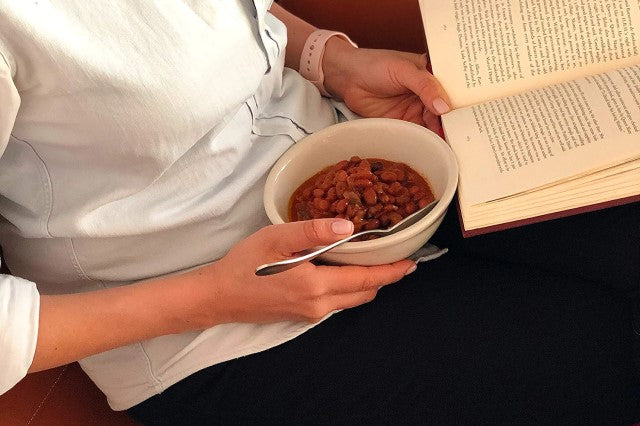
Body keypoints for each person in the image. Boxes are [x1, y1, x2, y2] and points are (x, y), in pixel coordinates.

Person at [0, 1, 637, 424]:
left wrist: (331, 61)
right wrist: (211, 298)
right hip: (203, 318)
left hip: (346, 154)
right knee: (605, 353)